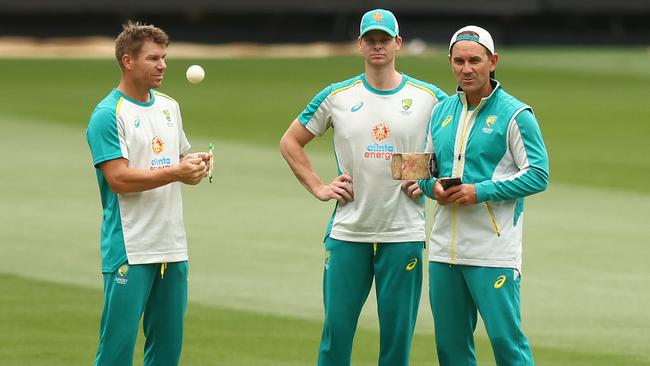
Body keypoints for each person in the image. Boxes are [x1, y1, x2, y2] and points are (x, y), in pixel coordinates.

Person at [280, 9, 447, 366]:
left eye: (384, 40)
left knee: (396, 344)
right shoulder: (337, 95)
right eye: (370, 40)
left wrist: (427, 177)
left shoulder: (429, 97)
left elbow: (457, 147)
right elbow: (290, 141)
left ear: (397, 43)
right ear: (359, 44)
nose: (377, 46)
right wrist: (319, 187)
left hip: (403, 235)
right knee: (335, 336)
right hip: (348, 234)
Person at [418, 25, 549, 366]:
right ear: (450, 62)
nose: (467, 68)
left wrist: (480, 191)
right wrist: (431, 188)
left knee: (507, 344)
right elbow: (423, 169)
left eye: (475, 60)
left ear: (493, 61)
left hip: (493, 251)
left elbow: (538, 174)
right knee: (451, 349)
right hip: (445, 251)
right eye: (459, 61)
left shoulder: (516, 114)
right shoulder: (441, 111)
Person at [85, 21, 209, 366]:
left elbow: (177, 158)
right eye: (153, 58)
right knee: (116, 352)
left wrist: (195, 164)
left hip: (171, 245)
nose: (163, 66)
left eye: (164, 58)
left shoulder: (169, 106)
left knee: (167, 351)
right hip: (131, 248)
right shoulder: (108, 115)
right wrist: (177, 172)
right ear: (128, 61)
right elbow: (119, 179)